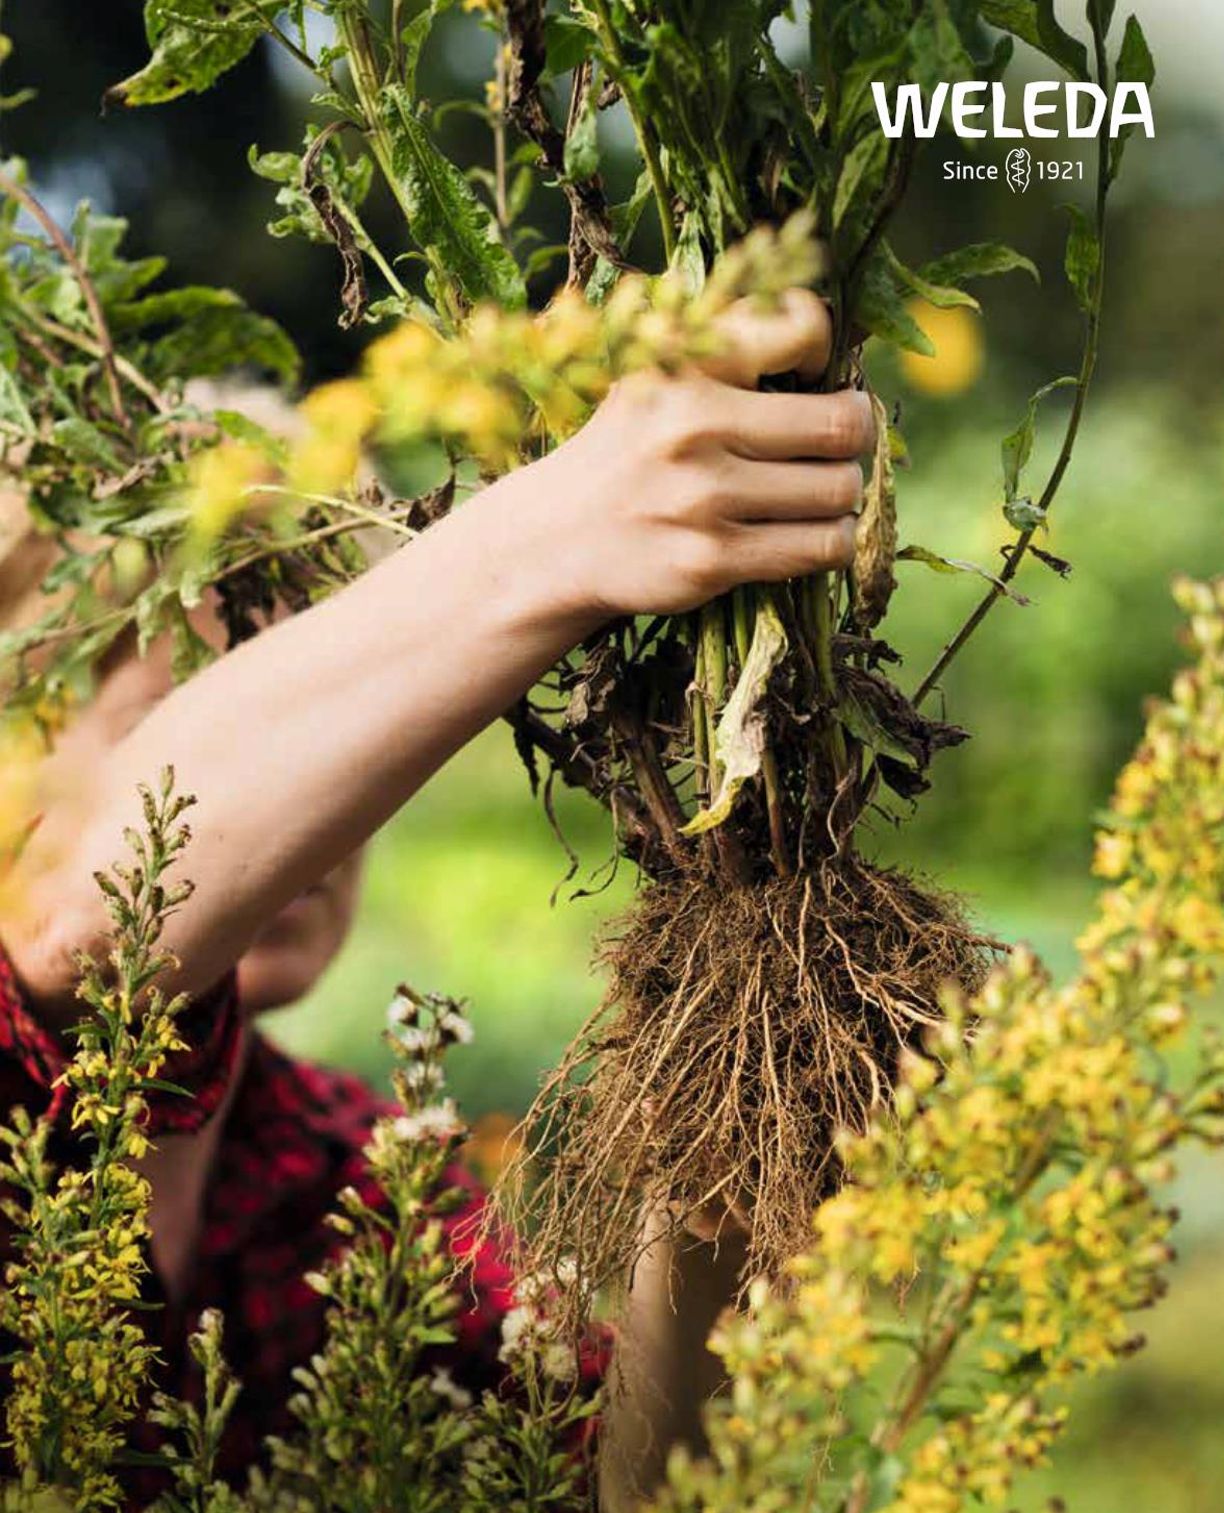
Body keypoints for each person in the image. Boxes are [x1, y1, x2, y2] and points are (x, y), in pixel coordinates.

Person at [0, 289, 875, 1508]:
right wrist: (558, 535)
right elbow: (84, 929)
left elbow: (612, 1488)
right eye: (204, 716)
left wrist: (724, 1146)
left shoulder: (361, 1182)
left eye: (351, 738)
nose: (317, 815)